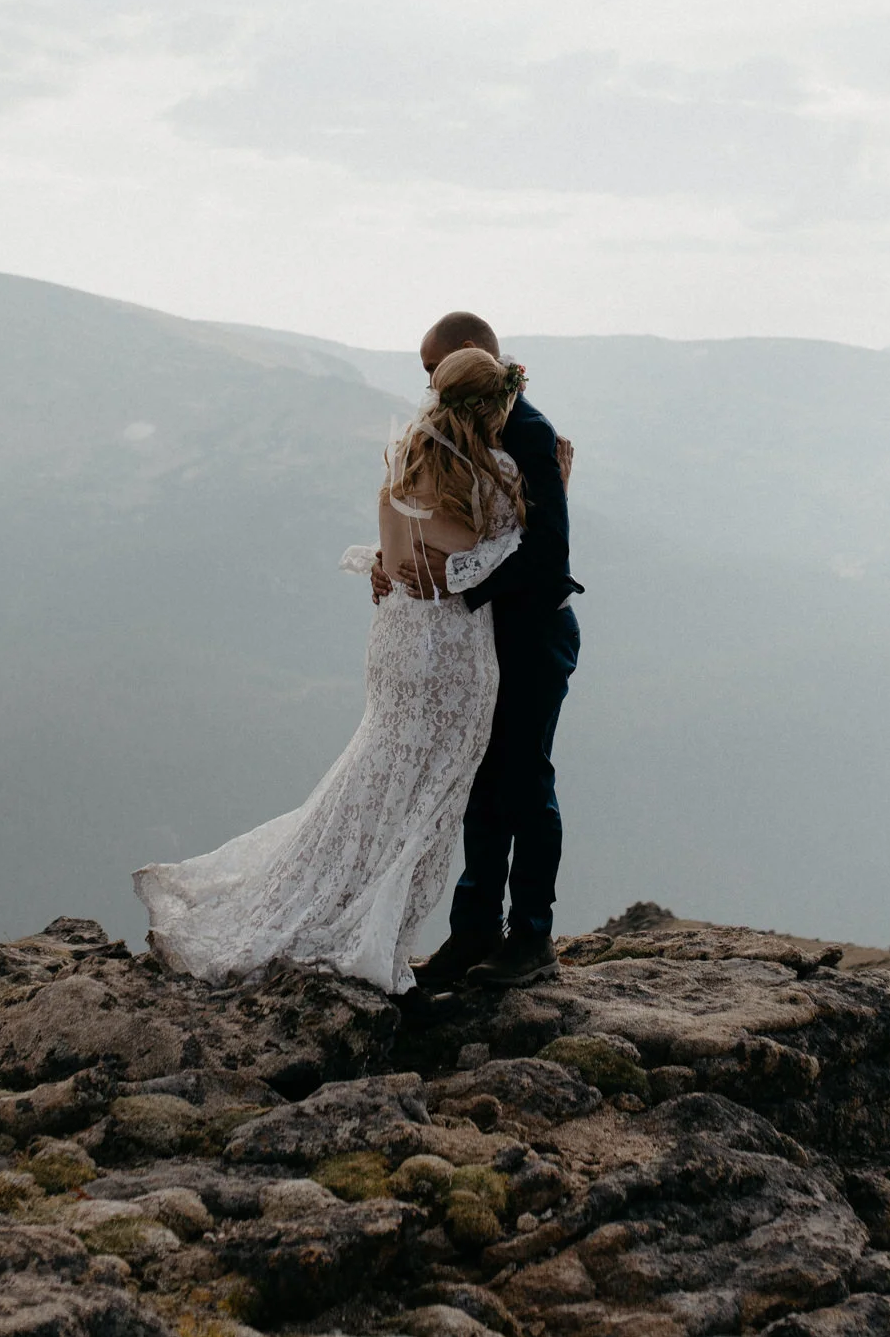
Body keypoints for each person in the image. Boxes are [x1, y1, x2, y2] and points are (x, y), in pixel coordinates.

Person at [132, 346, 533, 992]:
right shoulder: (497, 473)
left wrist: (387, 563)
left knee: (372, 782)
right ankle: (374, 941)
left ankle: (315, 899)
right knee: (426, 807)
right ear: (493, 406)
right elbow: (503, 555)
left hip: (396, 643)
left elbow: (399, 562)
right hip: (454, 656)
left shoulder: (404, 461)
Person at [380, 312, 581, 992]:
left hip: (533, 636)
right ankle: (474, 930)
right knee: (482, 782)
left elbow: (549, 553)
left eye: (432, 370)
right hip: (482, 642)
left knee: (527, 782)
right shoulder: (466, 428)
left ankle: (532, 937)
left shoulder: (529, 433)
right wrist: (391, 563)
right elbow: (442, 520)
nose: (428, 386)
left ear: (468, 356)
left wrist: (460, 584)